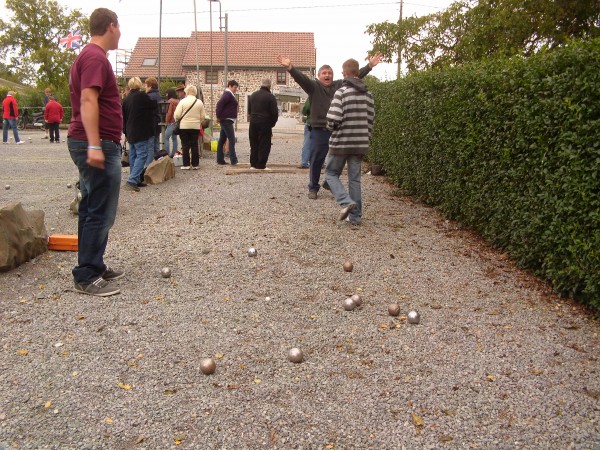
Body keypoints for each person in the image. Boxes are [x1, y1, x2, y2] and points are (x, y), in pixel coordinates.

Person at [67, 7, 123, 297]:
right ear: (111, 26)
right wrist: (93, 143)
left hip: (96, 140)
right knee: (101, 210)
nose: (121, 32)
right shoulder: (94, 57)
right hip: (97, 141)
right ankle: (86, 273)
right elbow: (89, 99)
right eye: (119, 27)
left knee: (91, 207)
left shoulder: (90, 57)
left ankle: (93, 264)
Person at [277, 53, 382, 199]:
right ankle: (313, 187)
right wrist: (290, 67)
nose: (327, 75)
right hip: (319, 130)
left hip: (337, 130)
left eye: (330, 73)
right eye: (324, 73)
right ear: (319, 76)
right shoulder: (313, 87)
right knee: (316, 160)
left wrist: (369, 66)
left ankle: (329, 182)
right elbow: (301, 78)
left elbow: (355, 75)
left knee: (337, 160)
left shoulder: (340, 85)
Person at [324, 58, 375, 225]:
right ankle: (356, 218)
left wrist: (330, 128)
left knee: (331, 174)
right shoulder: (368, 95)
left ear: (344, 73)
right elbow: (370, 120)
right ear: (358, 72)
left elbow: (333, 119)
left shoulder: (341, 92)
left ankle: (346, 202)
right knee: (355, 179)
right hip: (360, 144)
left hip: (341, 143)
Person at [122, 76, 157, 190]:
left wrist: (125, 132)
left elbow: (124, 117)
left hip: (130, 130)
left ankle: (135, 178)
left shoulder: (126, 99)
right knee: (142, 155)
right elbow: (154, 105)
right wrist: (148, 92)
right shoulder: (142, 96)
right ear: (139, 85)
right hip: (141, 130)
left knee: (133, 155)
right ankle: (132, 180)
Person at [248, 78, 279, 170]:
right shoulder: (270, 97)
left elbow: (249, 110)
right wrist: (272, 124)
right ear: (270, 86)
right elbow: (274, 113)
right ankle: (261, 165)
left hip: (253, 122)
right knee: (264, 144)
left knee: (254, 143)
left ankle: (253, 164)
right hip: (265, 122)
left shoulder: (253, 95)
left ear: (261, 85)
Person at [173, 84, 205, 170]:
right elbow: (202, 116)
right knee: (194, 145)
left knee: (185, 145)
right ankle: (195, 164)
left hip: (184, 126)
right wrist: (198, 122)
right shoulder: (199, 102)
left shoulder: (182, 102)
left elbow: (177, 115)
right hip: (195, 126)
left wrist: (178, 120)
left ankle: (186, 164)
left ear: (186, 91)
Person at [215, 80, 239, 166]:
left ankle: (220, 159)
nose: (236, 89)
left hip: (226, 119)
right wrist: (218, 116)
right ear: (230, 86)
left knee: (222, 140)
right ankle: (233, 160)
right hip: (226, 120)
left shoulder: (229, 94)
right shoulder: (227, 94)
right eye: (235, 87)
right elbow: (219, 105)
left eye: (236, 88)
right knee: (232, 139)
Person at [144, 76, 161, 163]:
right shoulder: (158, 95)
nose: (145, 87)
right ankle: (158, 164)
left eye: (146, 85)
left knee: (150, 146)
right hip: (157, 122)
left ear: (149, 86)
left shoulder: (149, 97)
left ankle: (148, 166)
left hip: (150, 123)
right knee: (156, 145)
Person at [163, 88, 179, 157]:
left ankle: (167, 154)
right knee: (174, 138)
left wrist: (166, 122)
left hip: (171, 122)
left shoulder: (170, 101)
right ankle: (174, 153)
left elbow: (169, 113)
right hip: (176, 122)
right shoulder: (178, 101)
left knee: (166, 138)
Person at [299, 98, 311, 169]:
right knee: (320, 145)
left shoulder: (312, 96)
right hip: (323, 124)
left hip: (311, 122)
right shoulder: (327, 95)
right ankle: (321, 163)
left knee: (307, 143)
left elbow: (304, 110)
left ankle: (304, 162)